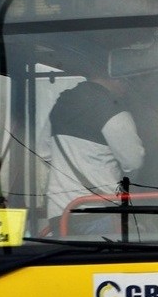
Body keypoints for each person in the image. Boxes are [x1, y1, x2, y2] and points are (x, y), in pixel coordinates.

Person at [40, 67, 145, 234]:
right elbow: (133, 160)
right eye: (127, 81)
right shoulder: (111, 107)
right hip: (98, 211)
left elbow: (44, 152)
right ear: (117, 78)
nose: (126, 89)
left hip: (60, 213)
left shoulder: (61, 103)